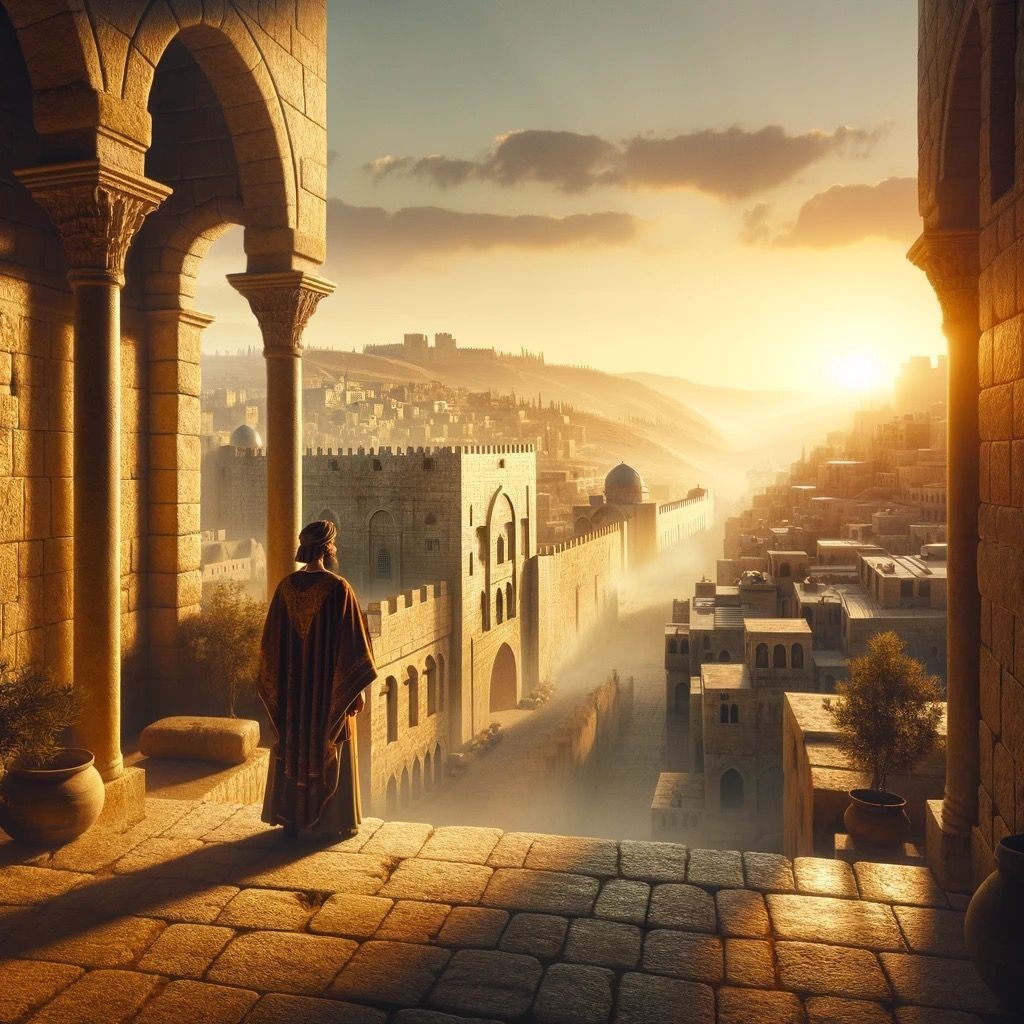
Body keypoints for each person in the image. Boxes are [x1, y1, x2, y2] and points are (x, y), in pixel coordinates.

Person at [257, 520, 377, 839]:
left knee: (294, 745)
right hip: (329, 695)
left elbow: (270, 647)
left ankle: (291, 819)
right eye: (333, 544)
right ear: (327, 548)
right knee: (332, 738)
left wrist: (282, 686)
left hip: (294, 697)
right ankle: (330, 822)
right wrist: (356, 692)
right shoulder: (339, 589)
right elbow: (353, 646)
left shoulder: (284, 587)